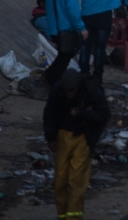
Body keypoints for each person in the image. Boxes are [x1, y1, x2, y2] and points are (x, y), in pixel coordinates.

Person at [43, 68, 110, 219]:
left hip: (82, 137)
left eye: (71, 91)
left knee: (77, 179)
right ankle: (62, 215)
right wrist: (51, 138)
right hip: (63, 136)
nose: (69, 94)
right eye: (67, 91)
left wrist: (82, 113)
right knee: (60, 178)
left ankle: (73, 216)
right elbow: (49, 114)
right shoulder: (58, 90)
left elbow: (104, 114)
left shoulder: (91, 90)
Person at [42, 0, 88, 87]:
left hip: (53, 27)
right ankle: (52, 80)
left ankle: (50, 76)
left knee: (63, 55)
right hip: (65, 28)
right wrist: (81, 28)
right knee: (65, 56)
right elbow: (73, 10)